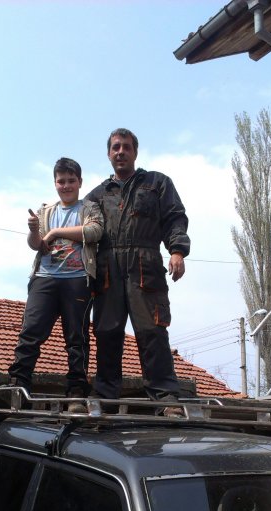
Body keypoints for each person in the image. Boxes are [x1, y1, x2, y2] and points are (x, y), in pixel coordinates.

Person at [86, 128, 190, 415]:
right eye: (116, 147)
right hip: (108, 269)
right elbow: (84, 233)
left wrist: (177, 251)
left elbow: (175, 218)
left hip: (145, 266)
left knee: (152, 331)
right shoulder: (96, 195)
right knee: (106, 332)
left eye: (126, 147)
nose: (121, 151)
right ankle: (105, 397)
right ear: (109, 154)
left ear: (135, 152)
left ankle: (165, 398)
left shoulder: (157, 184)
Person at [0, 157, 103, 410]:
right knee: (30, 331)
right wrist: (33, 230)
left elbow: (95, 232)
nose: (66, 185)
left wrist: (56, 232)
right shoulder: (45, 211)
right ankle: (18, 383)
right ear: (55, 183)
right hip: (44, 277)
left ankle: (76, 392)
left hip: (77, 279)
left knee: (76, 337)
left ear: (80, 182)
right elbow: (36, 245)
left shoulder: (89, 208)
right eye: (61, 181)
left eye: (71, 180)